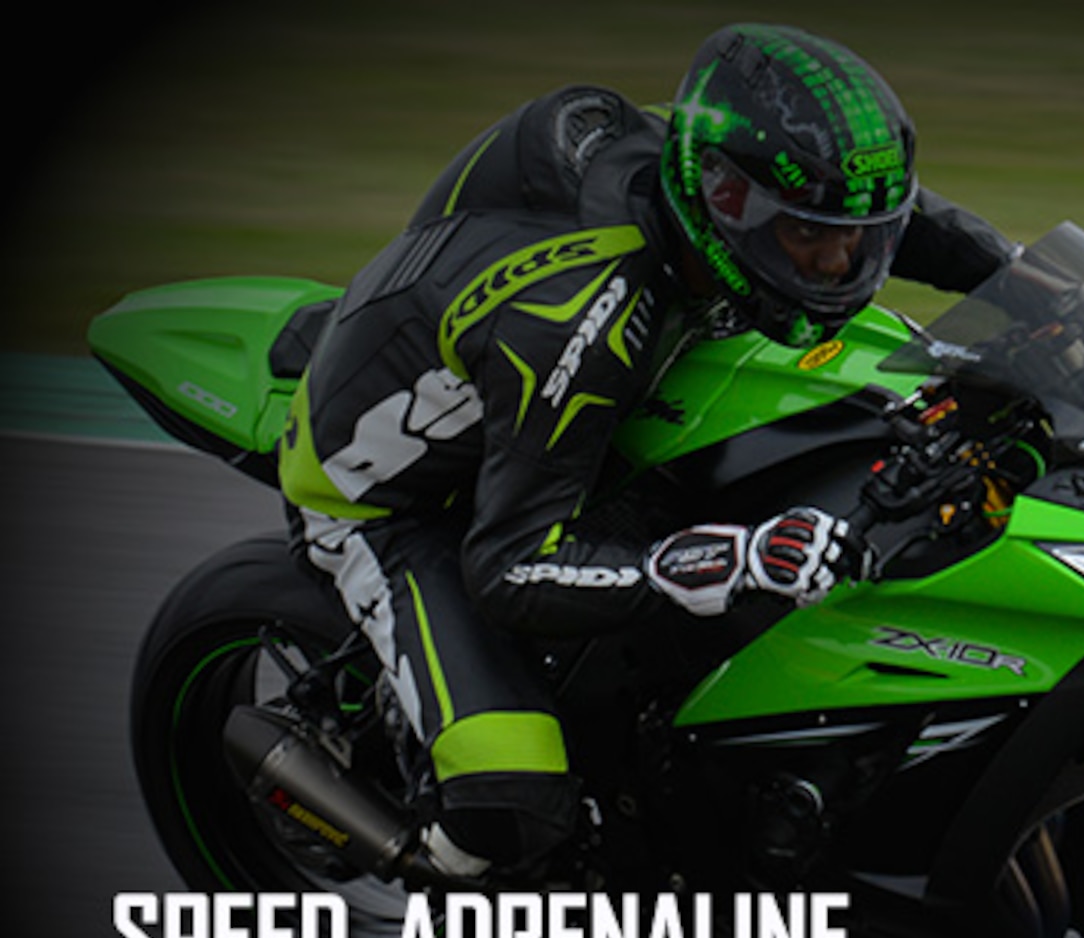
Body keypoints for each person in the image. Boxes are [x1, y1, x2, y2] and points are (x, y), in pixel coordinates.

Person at [275, 24, 1017, 881]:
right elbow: (511, 567)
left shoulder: (703, 166)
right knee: (510, 801)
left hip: (536, 427)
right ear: (727, 206)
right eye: (810, 240)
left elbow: (897, 222)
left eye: (855, 237)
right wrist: (734, 561)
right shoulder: (578, 324)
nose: (841, 261)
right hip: (399, 507)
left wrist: (1033, 281)